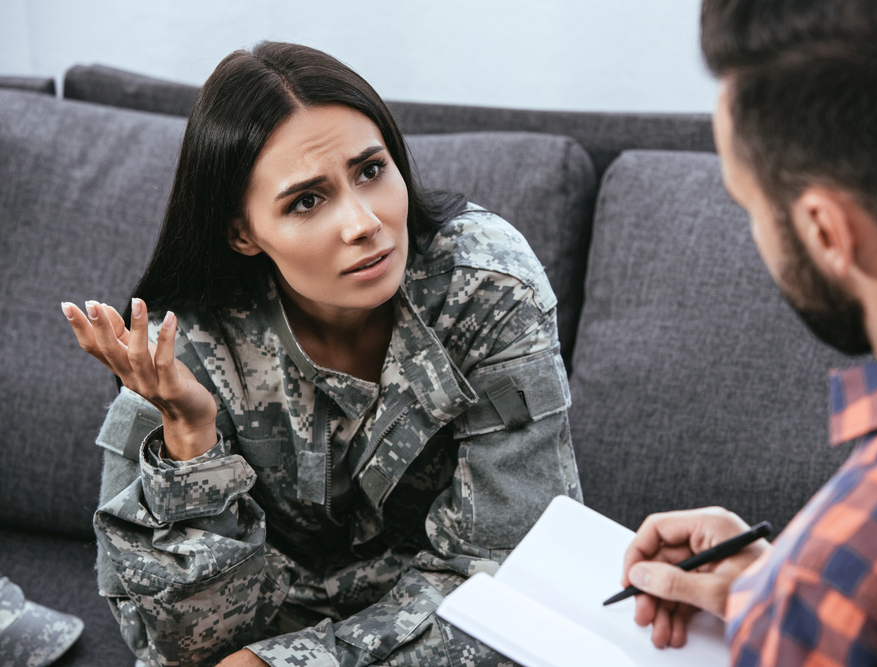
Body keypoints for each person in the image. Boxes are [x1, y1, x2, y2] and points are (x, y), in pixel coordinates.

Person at [62, 41, 581, 667]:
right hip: (263, 633)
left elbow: (511, 571)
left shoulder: (487, 287)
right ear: (241, 232)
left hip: (437, 637)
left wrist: (294, 664)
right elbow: (174, 643)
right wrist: (190, 438)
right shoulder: (183, 341)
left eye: (370, 170)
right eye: (307, 200)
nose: (364, 222)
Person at [620, 0, 877, 664]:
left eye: (750, 206)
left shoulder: (834, 590)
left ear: (825, 231)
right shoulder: (835, 585)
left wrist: (801, 602)